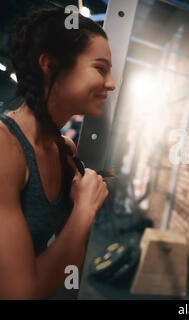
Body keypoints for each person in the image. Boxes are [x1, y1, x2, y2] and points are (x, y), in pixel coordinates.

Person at [0, 6, 115, 299]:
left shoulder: (65, 151)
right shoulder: (5, 146)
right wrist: (85, 209)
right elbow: (19, 292)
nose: (112, 84)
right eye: (100, 69)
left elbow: (68, 262)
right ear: (49, 64)